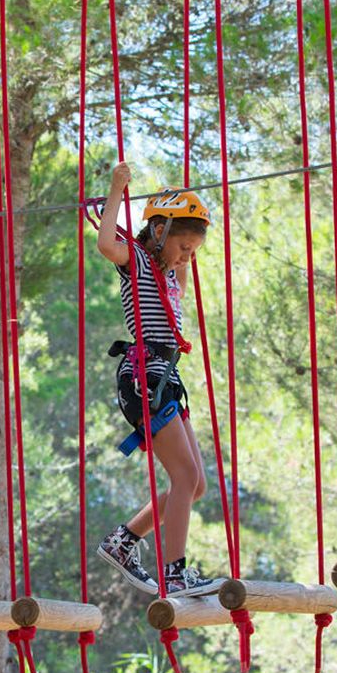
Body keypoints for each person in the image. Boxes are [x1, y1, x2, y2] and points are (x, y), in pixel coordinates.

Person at [93, 162, 223, 597]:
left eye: (194, 251)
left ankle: (124, 542)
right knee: (184, 477)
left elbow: (180, 272)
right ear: (162, 231)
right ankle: (176, 572)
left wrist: (185, 235)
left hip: (165, 378)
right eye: (184, 246)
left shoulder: (169, 275)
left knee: (197, 484)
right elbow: (106, 244)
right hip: (143, 377)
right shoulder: (139, 264)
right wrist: (117, 190)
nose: (189, 257)